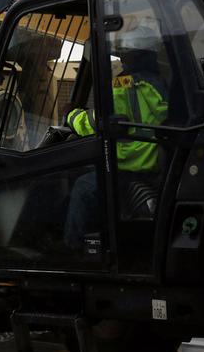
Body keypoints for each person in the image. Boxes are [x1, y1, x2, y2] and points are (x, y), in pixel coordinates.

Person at [63, 25, 169, 250]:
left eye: (124, 54)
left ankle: (74, 251)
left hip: (127, 166)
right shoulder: (161, 85)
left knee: (83, 187)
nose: (122, 59)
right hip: (154, 163)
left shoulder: (125, 87)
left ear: (133, 55)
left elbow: (91, 123)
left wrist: (70, 114)